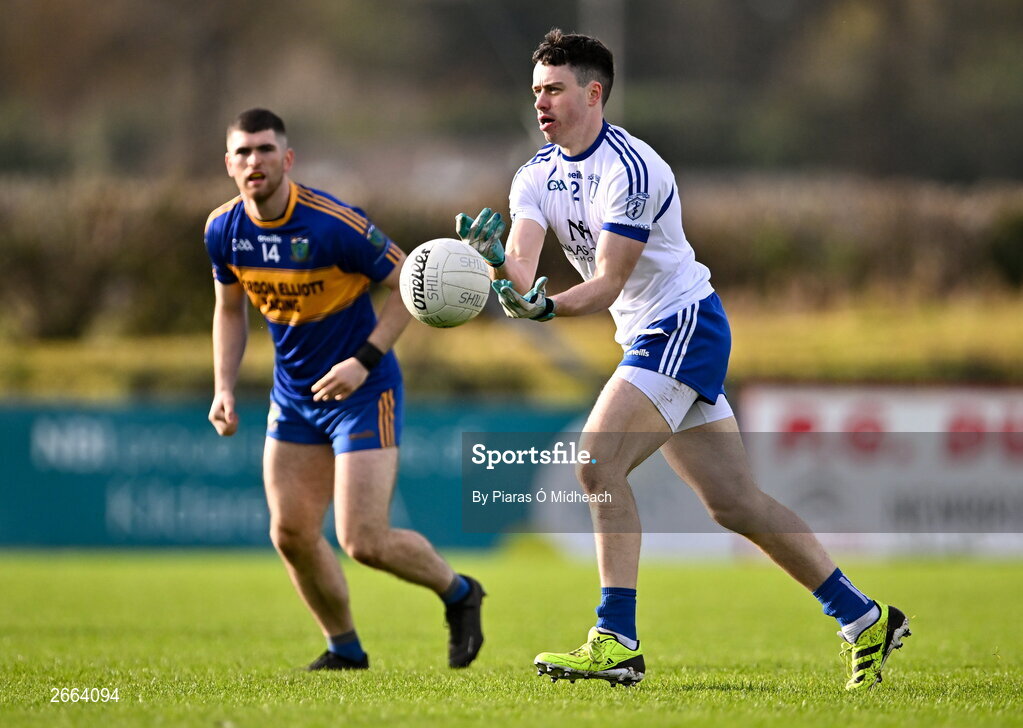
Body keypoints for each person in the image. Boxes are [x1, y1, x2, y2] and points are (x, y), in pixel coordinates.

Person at [455, 30, 909, 690]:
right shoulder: (533, 176)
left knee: (594, 462)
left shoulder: (632, 170)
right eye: (535, 92)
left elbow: (608, 281)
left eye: (553, 90)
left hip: (681, 324)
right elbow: (521, 279)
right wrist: (495, 262)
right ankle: (863, 617)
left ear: (592, 92)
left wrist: (545, 309)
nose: (541, 104)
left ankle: (616, 640)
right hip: (648, 335)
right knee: (733, 504)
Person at [204, 108, 484, 671]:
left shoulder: (333, 225)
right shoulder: (223, 230)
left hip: (363, 390)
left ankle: (459, 593)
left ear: (287, 159)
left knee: (363, 540)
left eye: (264, 150)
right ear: (229, 164)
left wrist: (364, 359)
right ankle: (345, 649)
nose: (254, 161)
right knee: (290, 533)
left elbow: (411, 282)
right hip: (295, 398)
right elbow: (229, 310)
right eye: (243, 152)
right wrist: (224, 388)